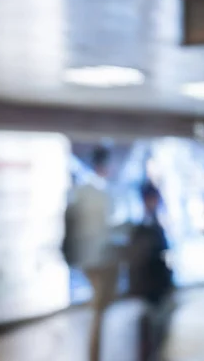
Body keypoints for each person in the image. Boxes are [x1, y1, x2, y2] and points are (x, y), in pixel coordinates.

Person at [64, 146, 117, 361]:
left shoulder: (83, 191)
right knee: (98, 311)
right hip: (98, 259)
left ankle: (94, 354)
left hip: (90, 258)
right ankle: (93, 355)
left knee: (99, 311)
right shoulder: (98, 193)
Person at [127, 182, 174, 361]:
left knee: (156, 327)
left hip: (156, 283)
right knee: (153, 326)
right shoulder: (145, 225)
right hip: (152, 284)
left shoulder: (153, 222)